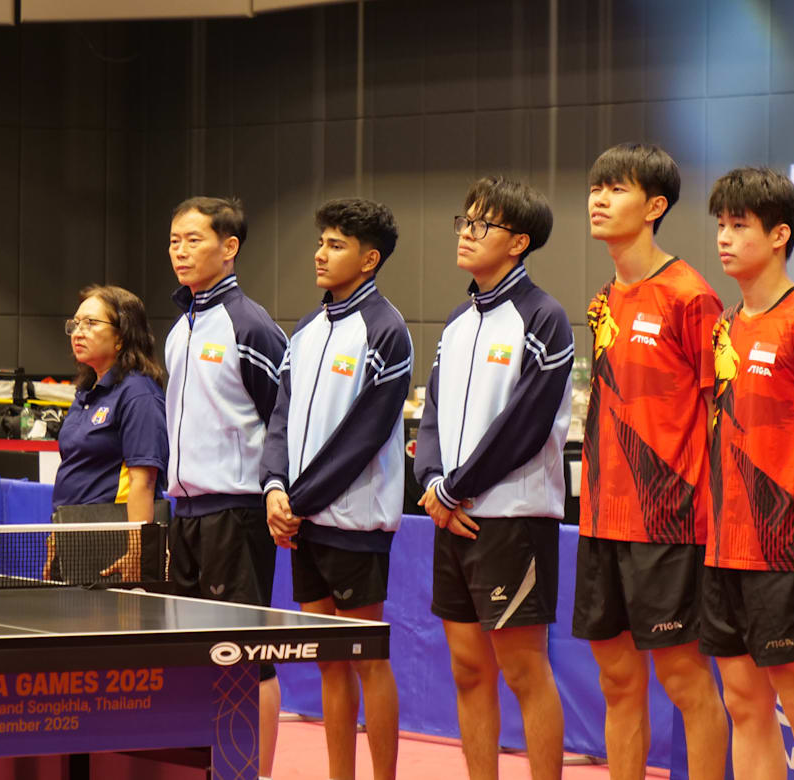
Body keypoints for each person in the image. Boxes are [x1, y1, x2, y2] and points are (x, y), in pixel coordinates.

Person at [574, 142, 729, 779]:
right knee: (616, 678)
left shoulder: (690, 296)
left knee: (685, 678)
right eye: (596, 187)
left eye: (617, 189)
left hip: (668, 521)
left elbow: (720, 415)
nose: (599, 199)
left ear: (654, 206)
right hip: (601, 517)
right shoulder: (604, 300)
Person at [414, 176, 571, 780]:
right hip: (450, 514)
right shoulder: (457, 321)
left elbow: (524, 424)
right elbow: (432, 413)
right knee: (467, 669)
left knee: (525, 671)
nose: (467, 233)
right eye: (465, 220)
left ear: (519, 241)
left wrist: (455, 489)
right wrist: (433, 482)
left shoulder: (544, 317)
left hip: (512, 518)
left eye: (483, 224)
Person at [703, 168, 794, 780]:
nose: (724, 237)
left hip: (792, 548)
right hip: (725, 547)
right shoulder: (724, 326)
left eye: (740, 225)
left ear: (780, 235)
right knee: (743, 703)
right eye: (720, 224)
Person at [261, 198, 411, 780]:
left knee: (366, 658)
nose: (320, 254)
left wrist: (295, 503)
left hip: (354, 523)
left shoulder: (387, 331)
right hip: (303, 519)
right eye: (321, 242)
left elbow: (363, 436)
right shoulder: (305, 329)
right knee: (329, 660)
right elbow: (281, 416)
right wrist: (274, 487)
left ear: (369, 259)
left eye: (336, 245)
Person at [164, 196, 287, 779]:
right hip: (184, 513)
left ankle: (256, 773)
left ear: (229, 247)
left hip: (235, 513)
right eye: (174, 241)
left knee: (247, 657)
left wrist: (275, 487)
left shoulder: (251, 325)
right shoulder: (180, 327)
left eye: (193, 240)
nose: (180, 251)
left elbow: (282, 420)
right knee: (196, 657)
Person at [50, 285, 168, 581]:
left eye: (91, 323)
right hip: (73, 533)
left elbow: (143, 481)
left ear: (121, 337)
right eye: (75, 324)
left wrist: (137, 552)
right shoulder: (86, 393)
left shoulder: (138, 394)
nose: (78, 332)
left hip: (113, 541)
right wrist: (55, 537)